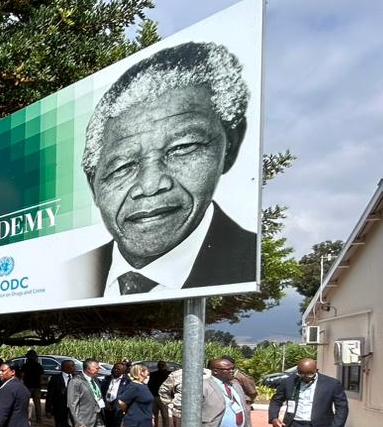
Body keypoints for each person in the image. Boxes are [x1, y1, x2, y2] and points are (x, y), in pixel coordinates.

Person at [66, 41, 257, 298]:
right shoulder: (67, 275)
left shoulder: (249, 263)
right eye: (123, 166)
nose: (151, 184)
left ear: (230, 145)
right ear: (94, 186)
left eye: (182, 147)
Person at [46, 359, 76, 427]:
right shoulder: (55, 379)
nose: (74, 368)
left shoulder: (75, 378)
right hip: (60, 409)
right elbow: (50, 395)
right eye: (72, 366)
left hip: (72, 410)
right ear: (66, 367)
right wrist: (48, 409)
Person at [100, 362, 129, 427]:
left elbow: (126, 396)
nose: (115, 370)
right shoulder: (107, 378)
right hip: (106, 405)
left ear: (123, 371)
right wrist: (105, 402)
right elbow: (102, 390)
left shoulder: (127, 382)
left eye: (118, 369)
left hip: (118, 407)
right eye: (114, 368)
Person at [148, 361, 172, 427]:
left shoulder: (168, 374)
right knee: (154, 414)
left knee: (164, 414)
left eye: (162, 365)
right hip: (154, 396)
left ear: (165, 366)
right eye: (159, 365)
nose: (161, 366)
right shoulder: (154, 374)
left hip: (164, 397)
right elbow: (150, 384)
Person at [22, 350, 45, 425]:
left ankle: (25, 419)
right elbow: (41, 377)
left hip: (27, 386)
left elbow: (22, 376)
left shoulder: (25, 366)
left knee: (25, 404)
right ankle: (39, 420)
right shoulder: (39, 366)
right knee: (37, 404)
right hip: (37, 387)